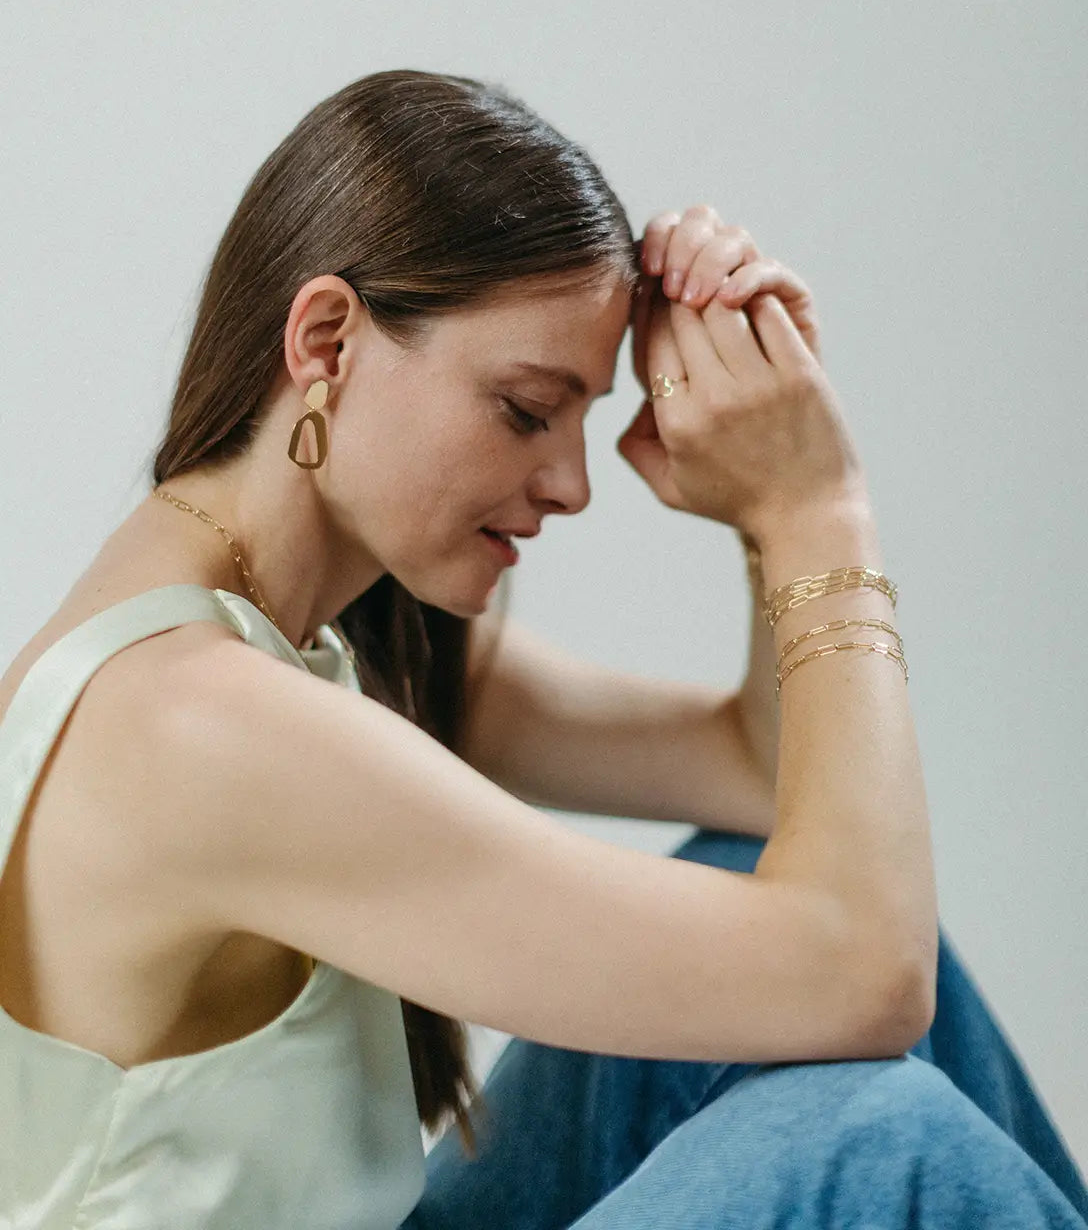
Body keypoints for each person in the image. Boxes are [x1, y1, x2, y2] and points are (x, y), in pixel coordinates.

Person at [0, 69, 1083, 1230]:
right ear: (325, 341)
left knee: (736, 870)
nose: (571, 482)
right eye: (525, 409)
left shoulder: (291, 641)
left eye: (582, 417)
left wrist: (765, 476)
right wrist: (819, 511)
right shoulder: (196, 723)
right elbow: (865, 973)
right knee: (879, 1144)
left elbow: (776, 787)